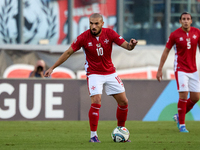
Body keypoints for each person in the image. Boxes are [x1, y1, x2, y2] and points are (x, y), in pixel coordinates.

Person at [44, 13, 138, 142]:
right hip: (94, 74)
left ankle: (121, 130)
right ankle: (93, 136)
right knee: (96, 101)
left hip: (110, 72)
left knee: (124, 102)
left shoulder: (110, 33)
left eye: (96, 23)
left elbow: (127, 47)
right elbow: (68, 52)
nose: (93, 26)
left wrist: (132, 44)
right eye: (91, 23)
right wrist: (52, 68)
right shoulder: (83, 37)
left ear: (102, 24)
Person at [156, 12, 200, 133]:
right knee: (183, 95)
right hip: (181, 69)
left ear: (191, 21)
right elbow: (166, 51)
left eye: (188, 19)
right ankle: (182, 125)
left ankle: (178, 116)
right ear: (180, 21)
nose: (186, 21)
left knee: (196, 97)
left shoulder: (197, 32)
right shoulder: (174, 35)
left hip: (194, 70)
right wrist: (160, 69)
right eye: (183, 19)